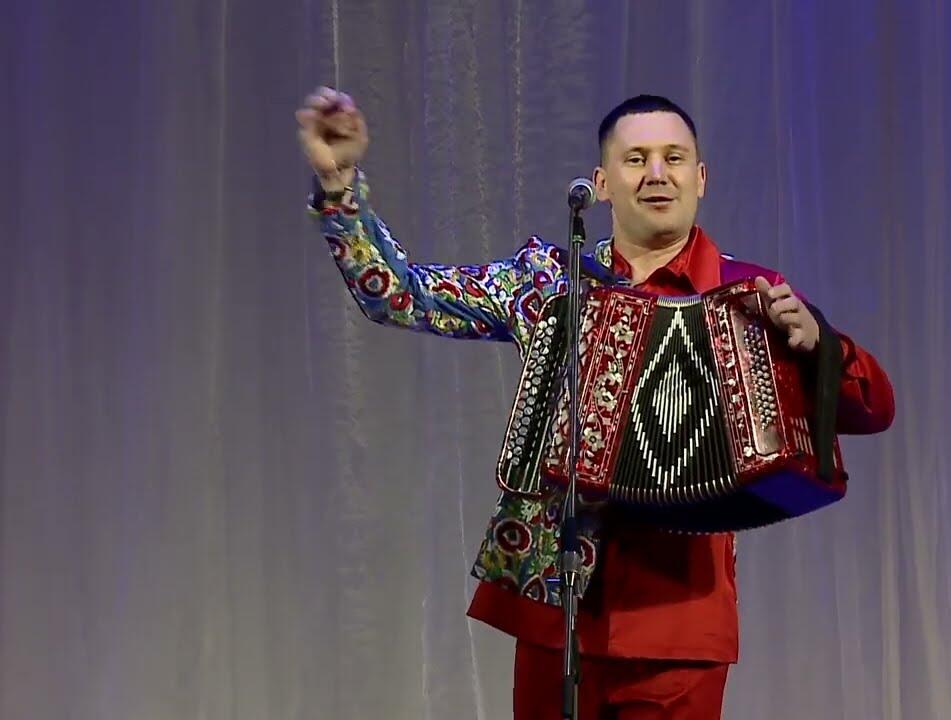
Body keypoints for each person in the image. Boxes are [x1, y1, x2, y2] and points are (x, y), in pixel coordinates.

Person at [296, 86, 895, 719]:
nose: (656, 174)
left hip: (679, 622)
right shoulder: (551, 284)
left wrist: (819, 345)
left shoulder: (750, 294)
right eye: (636, 159)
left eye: (673, 158)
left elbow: (874, 408)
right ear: (602, 184)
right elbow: (403, 296)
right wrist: (340, 187)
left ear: (701, 178)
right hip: (556, 607)